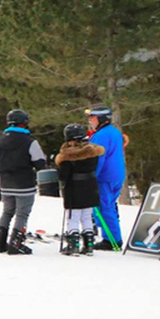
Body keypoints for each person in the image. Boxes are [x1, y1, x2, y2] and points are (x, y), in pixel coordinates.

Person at [0, 109, 48, 255]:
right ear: (24, 123)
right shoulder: (29, 141)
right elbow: (40, 163)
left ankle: (0, 242)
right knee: (22, 214)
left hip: (5, 183)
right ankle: (15, 244)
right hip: (24, 183)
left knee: (7, 212)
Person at [55, 123, 104, 256]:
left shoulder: (67, 156)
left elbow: (63, 176)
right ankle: (89, 245)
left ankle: (73, 244)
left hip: (74, 188)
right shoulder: (93, 152)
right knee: (87, 216)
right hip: (91, 186)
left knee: (73, 217)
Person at [86, 105, 125, 250]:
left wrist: (91, 176)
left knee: (104, 208)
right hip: (116, 175)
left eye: (93, 118)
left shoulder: (101, 135)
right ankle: (112, 236)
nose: (91, 121)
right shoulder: (114, 132)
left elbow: (98, 157)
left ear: (101, 119)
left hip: (105, 176)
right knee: (110, 206)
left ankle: (112, 240)